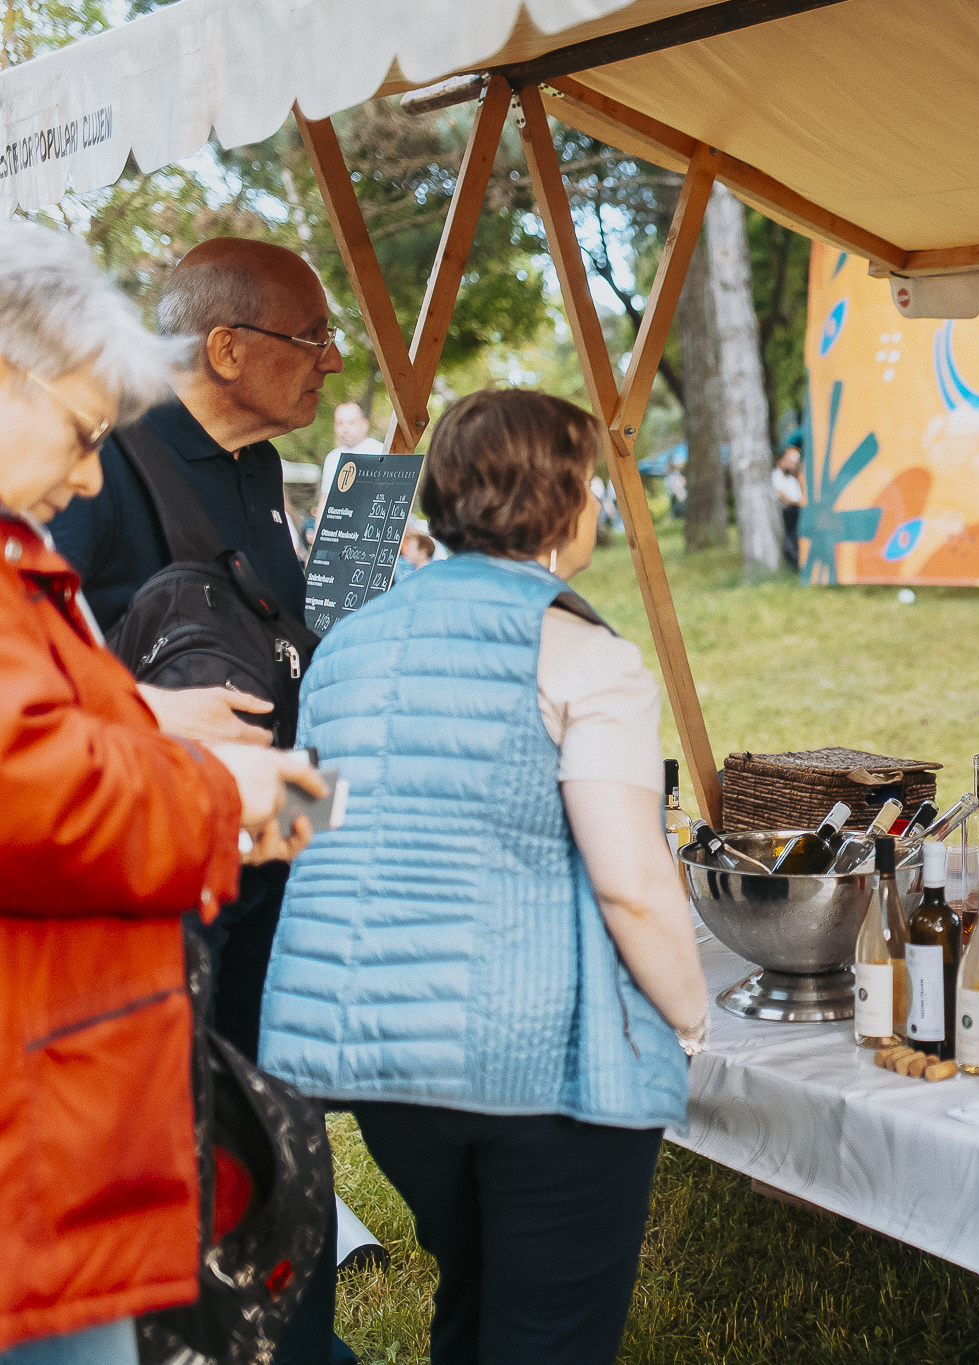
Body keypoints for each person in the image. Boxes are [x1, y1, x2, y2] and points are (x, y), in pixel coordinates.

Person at [259, 389, 711, 1365]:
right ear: (561, 500)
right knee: (547, 1334)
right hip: (535, 1065)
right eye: (589, 483)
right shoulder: (587, 656)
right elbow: (632, 880)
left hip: (383, 1065)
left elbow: (304, 833)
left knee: (473, 1302)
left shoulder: (343, 647)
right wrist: (688, 1018)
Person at [0, 222, 320, 1365]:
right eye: (84, 434)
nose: (90, 471)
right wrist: (211, 782)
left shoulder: (253, 474)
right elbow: (32, 778)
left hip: (86, 1060)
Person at [313, 399, 382, 527]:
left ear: (365, 424)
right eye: (340, 423)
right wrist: (318, 532)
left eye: (351, 423)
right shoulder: (332, 458)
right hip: (341, 526)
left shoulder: (380, 452)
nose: (345, 428)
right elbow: (325, 499)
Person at [773, 440, 806, 569]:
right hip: (786, 513)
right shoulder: (775, 476)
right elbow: (782, 496)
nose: (793, 465)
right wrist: (798, 502)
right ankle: (795, 560)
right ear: (781, 460)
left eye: (795, 462)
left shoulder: (792, 479)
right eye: (791, 461)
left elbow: (800, 497)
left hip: (796, 511)